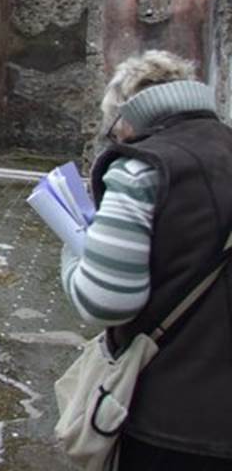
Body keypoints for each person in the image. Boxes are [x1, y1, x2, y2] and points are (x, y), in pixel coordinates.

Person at [60, 50, 232, 470]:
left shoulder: (143, 170)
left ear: (127, 116)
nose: (115, 137)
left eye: (113, 128)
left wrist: (71, 254)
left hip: (172, 412)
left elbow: (106, 301)